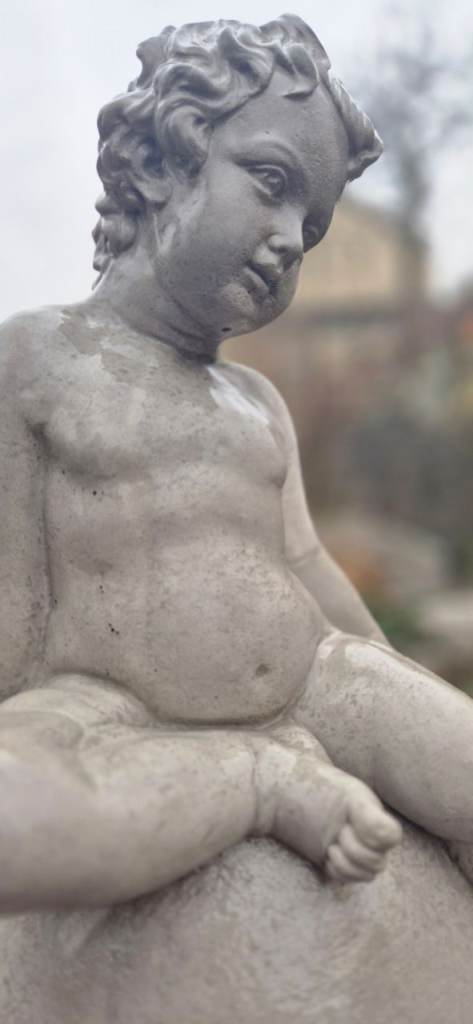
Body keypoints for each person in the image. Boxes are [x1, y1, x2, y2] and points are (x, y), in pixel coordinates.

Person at [0, 15, 472, 1023]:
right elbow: (11, 590)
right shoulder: (36, 358)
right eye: (268, 183)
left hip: (315, 683)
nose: (285, 240)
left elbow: (307, 567)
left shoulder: (257, 404)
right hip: (110, 710)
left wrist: (396, 704)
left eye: (308, 227)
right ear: (159, 160)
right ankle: (251, 782)